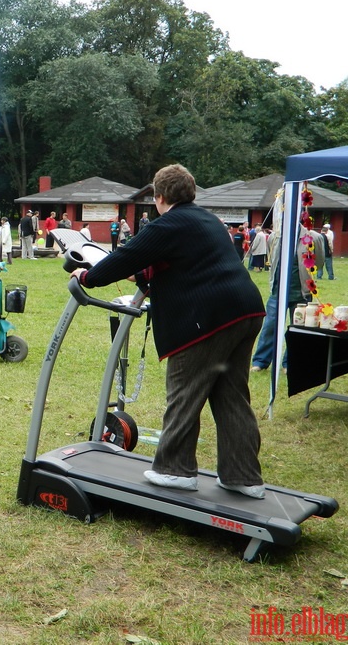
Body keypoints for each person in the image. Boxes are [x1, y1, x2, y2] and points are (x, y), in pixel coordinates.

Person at [71, 164, 267, 499]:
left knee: (185, 392)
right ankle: (243, 476)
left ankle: (175, 471)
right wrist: (145, 275)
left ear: (159, 196)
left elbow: (124, 257)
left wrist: (84, 278)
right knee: (231, 396)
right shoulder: (209, 221)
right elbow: (185, 264)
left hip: (206, 318)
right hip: (246, 309)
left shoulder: (167, 224)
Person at [250, 221, 324, 372]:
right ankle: (260, 361)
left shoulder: (313, 237)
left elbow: (320, 261)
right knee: (270, 326)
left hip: (301, 291)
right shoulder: (275, 236)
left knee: (297, 328)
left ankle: (289, 362)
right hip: (278, 291)